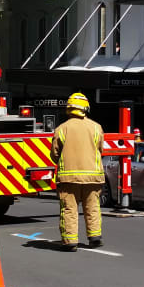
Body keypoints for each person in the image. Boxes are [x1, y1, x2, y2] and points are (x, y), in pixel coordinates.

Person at [51, 93, 104, 252]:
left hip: (69, 178)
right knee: (92, 207)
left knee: (69, 209)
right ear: (86, 108)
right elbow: (100, 149)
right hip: (92, 177)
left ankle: (70, 242)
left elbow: (54, 154)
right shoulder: (96, 127)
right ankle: (94, 237)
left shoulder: (62, 129)